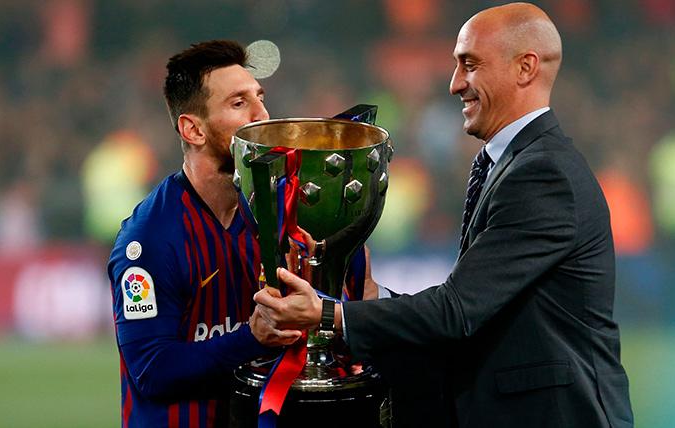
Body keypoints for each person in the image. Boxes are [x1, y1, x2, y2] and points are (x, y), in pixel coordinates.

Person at [253, 3, 634, 427]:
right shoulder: (515, 163)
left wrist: (328, 314)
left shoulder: (543, 173)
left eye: (470, 65)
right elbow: (478, 307)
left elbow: (457, 311)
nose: (455, 84)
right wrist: (374, 298)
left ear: (525, 68)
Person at [107, 40, 300, 428]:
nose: (262, 115)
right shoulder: (149, 240)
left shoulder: (279, 218)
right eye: (239, 103)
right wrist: (251, 338)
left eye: (260, 98)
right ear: (193, 129)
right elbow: (152, 370)